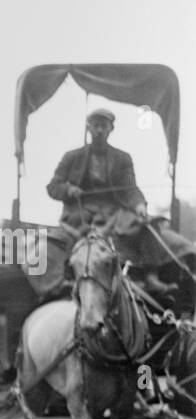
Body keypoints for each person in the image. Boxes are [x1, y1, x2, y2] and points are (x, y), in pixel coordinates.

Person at [47, 108, 196, 303]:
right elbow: (53, 187)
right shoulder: (72, 157)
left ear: (111, 129)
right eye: (96, 125)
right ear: (88, 128)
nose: (99, 130)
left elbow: (130, 189)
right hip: (80, 212)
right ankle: (66, 281)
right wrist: (68, 190)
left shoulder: (122, 158)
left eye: (104, 126)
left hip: (113, 211)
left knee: (148, 225)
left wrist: (140, 205)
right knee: (60, 243)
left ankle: (151, 276)